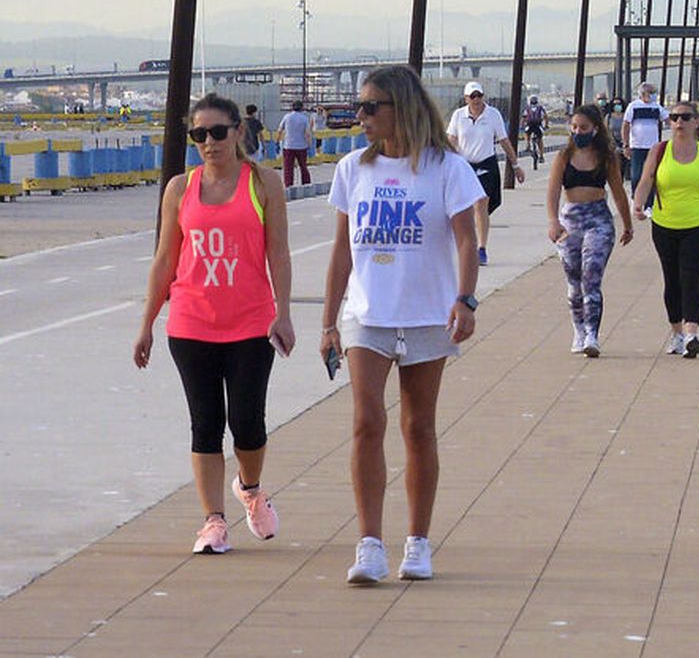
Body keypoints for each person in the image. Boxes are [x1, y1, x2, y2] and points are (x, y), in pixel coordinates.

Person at [322, 65, 485, 585]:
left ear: (402, 109)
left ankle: (418, 541)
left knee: (418, 426)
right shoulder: (352, 169)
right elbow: (342, 252)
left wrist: (465, 299)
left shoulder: (445, 168)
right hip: (366, 315)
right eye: (359, 106)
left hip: (426, 313)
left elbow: (465, 239)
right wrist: (328, 322)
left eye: (372, 107)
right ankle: (369, 545)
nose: (361, 116)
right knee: (366, 421)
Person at [135, 93, 293, 555]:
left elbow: (278, 255)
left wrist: (283, 311)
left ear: (238, 133)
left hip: (250, 323)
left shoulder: (263, 184)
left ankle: (251, 487)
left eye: (218, 132)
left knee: (247, 423)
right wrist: (146, 322)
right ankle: (213, 521)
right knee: (205, 424)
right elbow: (165, 258)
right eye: (199, 135)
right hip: (190, 323)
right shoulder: (180, 189)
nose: (209, 142)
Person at [633, 101, 699, 359]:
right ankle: (676, 332)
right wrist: (638, 204)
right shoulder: (659, 150)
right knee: (672, 280)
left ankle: (691, 334)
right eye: (674, 118)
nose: (679, 122)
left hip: (698, 224)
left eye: (685, 117)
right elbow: (646, 180)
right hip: (664, 226)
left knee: (692, 278)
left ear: (697, 121)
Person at [547, 104, 634, 357]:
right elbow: (553, 191)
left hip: (598, 219)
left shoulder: (606, 157)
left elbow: (618, 192)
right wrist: (553, 221)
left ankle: (592, 335)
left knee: (591, 277)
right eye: (574, 127)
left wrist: (627, 224)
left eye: (583, 128)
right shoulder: (564, 156)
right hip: (570, 221)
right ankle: (579, 330)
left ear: (595, 129)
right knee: (574, 282)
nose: (578, 132)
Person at [446, 82, 525, 266]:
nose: (476, 100)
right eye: (472, 97)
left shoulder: (493, 115)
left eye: (479, 96)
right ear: (466, 98)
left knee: (481, 204)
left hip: (486, 163)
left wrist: (515, 166)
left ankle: (481, 248)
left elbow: (503, 140)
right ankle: (465, 243)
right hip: (465, 164)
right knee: (464, 207)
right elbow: (451, 140)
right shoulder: (459, 116)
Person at [622, 83, 665, 196]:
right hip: (637, 146)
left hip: (652, 147)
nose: (653, 95)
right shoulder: (633, 106)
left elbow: (668, 119)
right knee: (636, 175)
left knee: (651, 175)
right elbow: (626, 125)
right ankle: (635, 198)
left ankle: (649, 204)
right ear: (643, 94)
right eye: (651, 93)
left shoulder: (656, 107)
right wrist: (626, 144)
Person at [278, 100, 313, 187]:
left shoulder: (287, 117)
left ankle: (288, 185)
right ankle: (306, 184)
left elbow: (280, 130)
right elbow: (307, 133)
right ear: (302, 107)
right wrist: (309, 144)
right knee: (303, 167)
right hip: (301, 146)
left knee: (288, 168)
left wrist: (278, 140)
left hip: (288, 145)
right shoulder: (304, 118)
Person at [523, 96, 547, 168]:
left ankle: (527, 144)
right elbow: (545, 117)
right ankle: (541, 156)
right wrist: (546, 125)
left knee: (526, 133)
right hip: (538, 125)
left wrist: (522, 125)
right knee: (540, 139)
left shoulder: (527, 108)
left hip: (529, 125)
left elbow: (524, 117)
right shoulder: (540, 108)